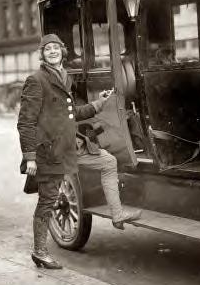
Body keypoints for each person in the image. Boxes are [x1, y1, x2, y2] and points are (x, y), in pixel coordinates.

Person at [17, 33, 141, 270]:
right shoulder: (36, 80)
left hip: (73, 145)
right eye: (47, 49)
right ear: (42, 55)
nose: (52, 51)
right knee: (47, 202)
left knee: (108, 162)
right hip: (51, 152)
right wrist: (30, 157)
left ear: (63, 52)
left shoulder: (64, 77)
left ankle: (117, 214)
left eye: (56, 48)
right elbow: (25, 123)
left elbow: (72, 114)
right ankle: (40, 252)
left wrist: (99, 103)